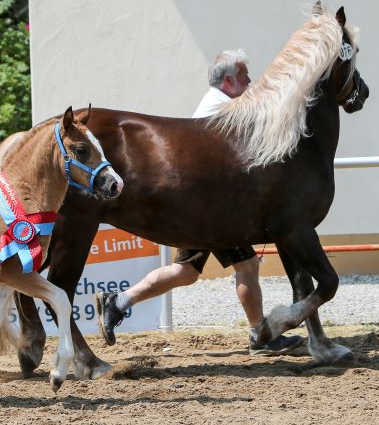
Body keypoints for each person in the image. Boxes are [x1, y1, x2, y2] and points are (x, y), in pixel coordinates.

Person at [96, 50, 305, 356]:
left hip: (202, 207)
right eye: (245, 76)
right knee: (246, 267)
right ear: (230, 80)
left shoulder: (218, 106)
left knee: (186, 272)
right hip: (216, 210)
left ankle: (118, 302)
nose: (250, 82)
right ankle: (260, 337)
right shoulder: (223, 111)